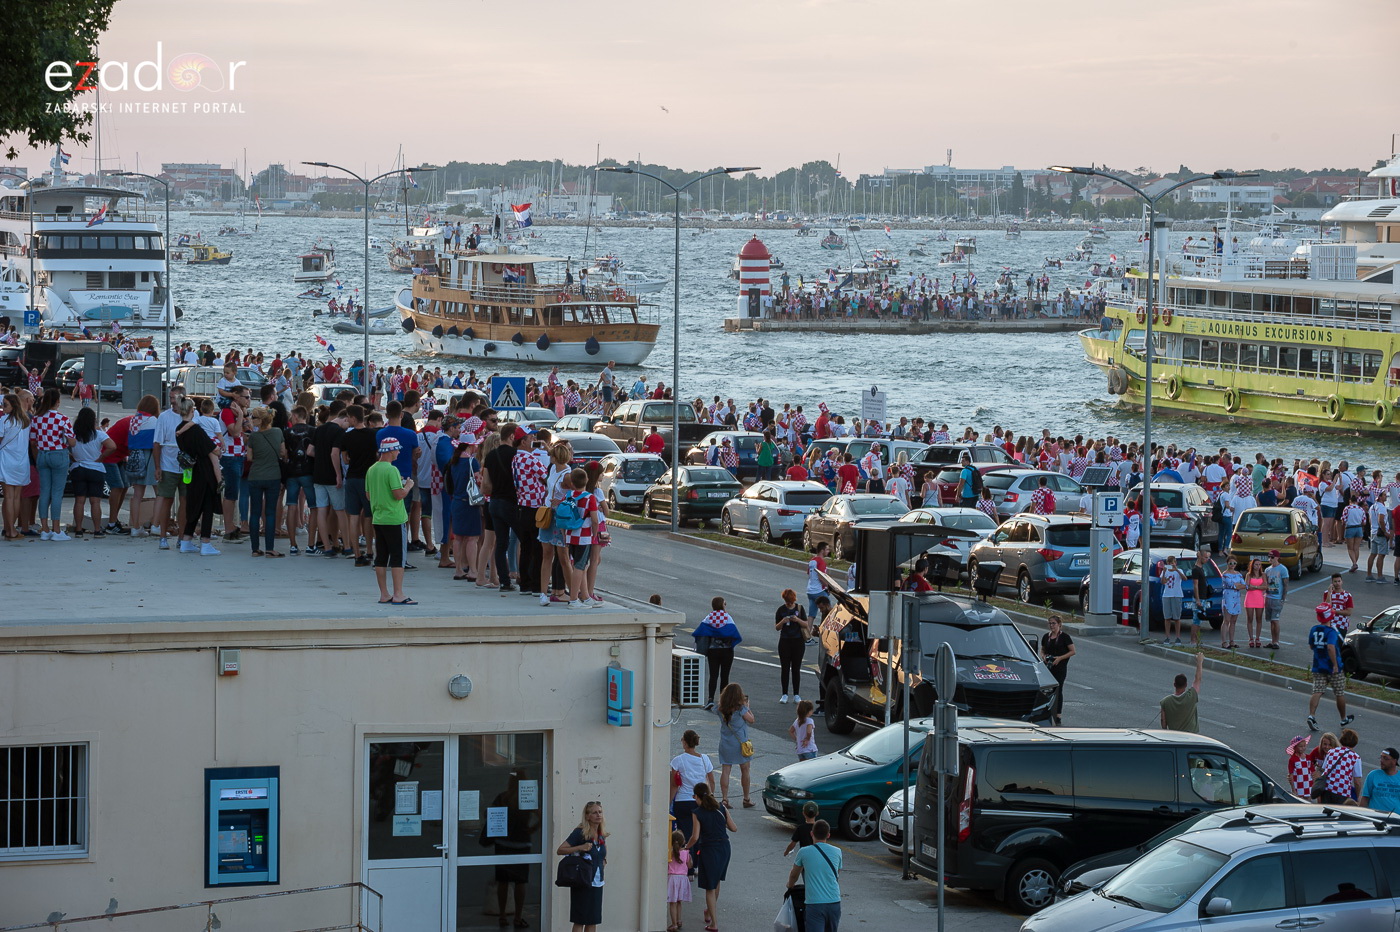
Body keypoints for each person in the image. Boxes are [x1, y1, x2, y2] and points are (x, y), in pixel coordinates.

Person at [368, 437, 415, 605]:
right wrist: (408, 485)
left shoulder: (372, 469)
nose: (399, 452)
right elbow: (399, 494)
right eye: (397, 449)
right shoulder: (391, 470)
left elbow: (368, 494)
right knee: (397, 557)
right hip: (394, 519)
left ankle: (384, 594)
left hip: (378, 517)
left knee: (381, 557)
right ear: (390, 451)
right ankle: (398, 593)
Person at [173, 397, 220, 555]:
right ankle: (205, 542)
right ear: (193, 410)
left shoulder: (179, 429)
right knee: (207, 506)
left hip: (190, 471)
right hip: (204, 471)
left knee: (193, 505)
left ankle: (186, 540)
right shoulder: (197, 431)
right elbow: (213, 451)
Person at [686, 783, 736, 932]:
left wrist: (686, 847)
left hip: (709, 849)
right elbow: (734, 828)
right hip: (725, 848)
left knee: (709, 887)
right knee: (717, 882)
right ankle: (709, 911)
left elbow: (695, 837)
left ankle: (714, 923)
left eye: (694, 796)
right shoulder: (721, 807)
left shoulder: (697, 812)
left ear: (697, 796)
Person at [29, 388, 74, 541]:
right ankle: (56, 530)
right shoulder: (62, 418)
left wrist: (37, 458)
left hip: (42, 455)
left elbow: (33, 441)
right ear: (57, 402)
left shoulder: (36, 418)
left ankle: (45, 528)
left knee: (45, 492)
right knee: (57, 493)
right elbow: (72, 441)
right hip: (58, 454)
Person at [556, 800, 608, 932]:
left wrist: (603, 861)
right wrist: (580, 847)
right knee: (580, 919)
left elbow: (601, 854)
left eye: (600, 812)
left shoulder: (601, 834)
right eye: (594, 812)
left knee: (593, 920)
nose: (598, 815)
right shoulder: (580, 833)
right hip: (582, 881)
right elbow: (560, 850)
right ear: (587, 816)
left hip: (597, 882)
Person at [244, 407, 286, 557]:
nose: (252, 419)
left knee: (254, 513)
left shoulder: (253, 437)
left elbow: (249, 457)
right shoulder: (278, 432)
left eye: (254, 417)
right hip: (273, 476)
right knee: (270, 513)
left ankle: (255, 548)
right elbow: (282, 453)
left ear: (260, 420)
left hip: (255, 476)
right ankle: (270, 548)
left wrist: (259, 459)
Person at [788, 819, 843, 932]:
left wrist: (790, 885)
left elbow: (794, 874)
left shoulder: (804, 852)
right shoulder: (837, 851)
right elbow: (836, 874)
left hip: (815, 904)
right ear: (828, 835)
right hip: (834, 902)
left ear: (812, 833)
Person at [68, 406, 112, 537]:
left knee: (79, 501)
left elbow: (65, 447)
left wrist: (72, 456)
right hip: (95, 468)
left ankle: (79, 530)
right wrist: (102, 457)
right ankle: (97, 530)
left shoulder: (73, 433)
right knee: (95, 502)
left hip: (78, 468)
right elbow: (112, 446)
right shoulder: (99, 434)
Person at [1307, 606, 1352, 731]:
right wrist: (1335, 665)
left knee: (1317, 691)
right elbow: (1331, 647)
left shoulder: (1314, 629)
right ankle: (1343, 718)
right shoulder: (1331, 631)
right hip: (1332, 668)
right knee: (1339, 693)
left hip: (1318, 665)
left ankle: (1312, 715)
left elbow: (1311, 646)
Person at [694, 598, 742, 709]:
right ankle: (723, 701)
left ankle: (710, 699)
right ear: (722, 605)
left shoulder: (709, 617)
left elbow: (701, 631)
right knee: (725, 676)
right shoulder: (728, 617)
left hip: (713, 651)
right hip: (727, 651)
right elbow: (734, 633)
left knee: (713, 675)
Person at [669, 729, 715, 847]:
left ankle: (686, 860)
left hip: (682, 801)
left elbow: (674, 784)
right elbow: (711, 780)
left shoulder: (678, 760)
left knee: (684, 834)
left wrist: (669, 802)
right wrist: (711, 796)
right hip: (700, 801)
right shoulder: (705, 759)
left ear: (684, 742)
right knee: (700, 833)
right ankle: (697, 860)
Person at [716, 682, 755, 809]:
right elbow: (751, 720)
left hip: (726, 743)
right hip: (740, 744)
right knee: (745, 770)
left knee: (726, 770)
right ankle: (746, 798)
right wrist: (747, 706)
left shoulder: (720, 709)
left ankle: (725, 799)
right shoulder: (741, 709)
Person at [775, 589, 811, 703]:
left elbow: (806, 624)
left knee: (796, 668)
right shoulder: (781, 610)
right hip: (785, 641)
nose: (789, 604)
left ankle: (796, 694)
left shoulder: (799, 609)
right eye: (787, 602)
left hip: (798, 641)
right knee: (785, 668)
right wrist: (783, 621)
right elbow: (777, 627)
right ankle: (784, 694)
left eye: (791, 602)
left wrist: (797, 620)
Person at [1039, 615, 1075, 725]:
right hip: (1048, 667)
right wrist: (1044, 656)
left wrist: (1060, 658)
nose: (1051, 626)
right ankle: (1045, 711)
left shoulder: (1065, 637)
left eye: (1054, 623)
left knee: (1058, 690)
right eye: (1050, 623)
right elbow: (1043, 649)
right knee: (1045, 690)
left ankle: (1058, 715)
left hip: (1060, 667)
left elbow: (1072, 651)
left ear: (1059, 624)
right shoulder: (1046, 636)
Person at [1159, 652, 1203, 732]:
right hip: (1191, 736)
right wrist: (1199, 662)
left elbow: (1163, 723)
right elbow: (1198, 679)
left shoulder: (1165, 701)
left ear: (1174, 684)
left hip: (1175, 736)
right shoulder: (1191, 696)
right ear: (1186, 684)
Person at [1317, 728, 1361, 804]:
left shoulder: (1331, 752)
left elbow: (1324, 770)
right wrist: (1357, 796)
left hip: (1327, 789)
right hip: (1342, 792)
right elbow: (1357, 782)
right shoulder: (1355, 757)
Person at [665, 829, 692, 932]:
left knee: (672, 902)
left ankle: (674, 924)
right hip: (683, 879)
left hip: (672, 879)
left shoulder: (670, 853)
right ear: (683, 841)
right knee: (679, 902)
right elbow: (689, 866)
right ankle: (679, 920)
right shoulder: (686, 853)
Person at [1360, 747, 1400, 812]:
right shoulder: (1373, 775)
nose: (1381, 760)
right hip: (1375, 817)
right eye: (1381, 757)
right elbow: (1365, 798)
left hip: (1395, 818)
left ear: (1394, 761)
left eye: (1385, 758)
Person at [1263, 549, 1288, 650]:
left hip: (1277, 598)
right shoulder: (1267, 570)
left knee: (1275, 620)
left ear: (1277, 558)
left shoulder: (1282, 569)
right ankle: (1272, 640)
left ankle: (1276, 641)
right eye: (1269, 557)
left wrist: (1283, 598)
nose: (1270, 559)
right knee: (1271, 621)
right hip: (1268, 597)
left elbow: (1285, 584)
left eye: (1272, 557)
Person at [1160, 555, 1185, 646]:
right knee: (1167, 617)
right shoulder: (1165, 572)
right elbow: (1163, 582)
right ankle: (1167, 637)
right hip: (1167, 595)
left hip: (1177, 595)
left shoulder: (1179, 571)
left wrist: (1177, 570)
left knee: (1177, 617)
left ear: (1175, 563)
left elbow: (1184, 578)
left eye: (1173, 562)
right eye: (1170, 563)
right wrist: (1164, 572)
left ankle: (1178, 637)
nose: (1172, 564)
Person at [1219, 557, 1244, 649]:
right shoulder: (1225, 574)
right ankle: (1224, 641)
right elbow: (1231, 585)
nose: (1232, 565)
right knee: (1227, 620)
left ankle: (1232, 640)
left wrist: (1238, 586)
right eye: (1230, 563)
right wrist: (1237, 585)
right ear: (1227, 564)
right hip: (1228, 597)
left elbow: (1243, 585)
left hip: (1236, 598)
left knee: (1233, 621)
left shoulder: (1238, 574)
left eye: (1234, 563)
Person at [1243, 557, 1268, 649]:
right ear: (1252, 565)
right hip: (1250, 598)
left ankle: (1257, 638)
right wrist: (1258, 586)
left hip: (1259, 598)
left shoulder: (1263, 575)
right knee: (1250, 618)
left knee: (1259, 618)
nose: (1258, 566)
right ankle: (1251, 638)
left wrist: (1254, 586)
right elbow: (1247, 587)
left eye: (1259, 564)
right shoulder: (1249, 575)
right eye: (1256, 564)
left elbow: (1265, 586)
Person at [806, 542, 830, 619]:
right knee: (829, 610)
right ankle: (824, 629)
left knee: (811, 614)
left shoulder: (812, 560)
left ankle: (809, 630)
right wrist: (828, 586)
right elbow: (821, 578)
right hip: (818, 591)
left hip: (810, 591)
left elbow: (808, 573)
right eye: (827, 549)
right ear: (822, 550)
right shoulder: (821, 562)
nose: (828, 551)